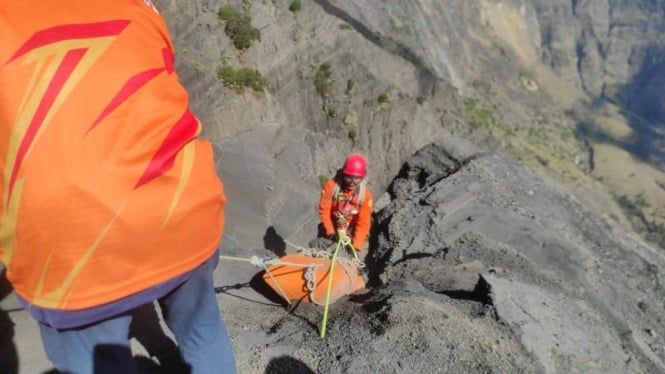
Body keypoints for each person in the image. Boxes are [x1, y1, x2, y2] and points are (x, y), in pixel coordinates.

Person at [0, 1, 236, 373]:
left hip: (72, 249)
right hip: (184, 207)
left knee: (101, 360)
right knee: (203, 333)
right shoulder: (137, 5)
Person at [310, 153, 373, 253]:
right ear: (344, 174)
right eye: (349, 177)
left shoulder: (365, 196)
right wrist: (330, 232)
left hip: (350, 231)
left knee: (346, 256)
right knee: (320, 249)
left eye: (356, 178)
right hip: (331, 225)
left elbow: (363, 222)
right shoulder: (331, 187)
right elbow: (324, 210)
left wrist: (356, 246)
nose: (352, 182)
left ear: (362, 178)